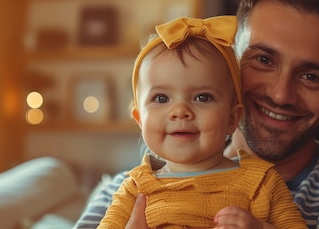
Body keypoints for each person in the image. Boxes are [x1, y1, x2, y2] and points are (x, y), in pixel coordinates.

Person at [74, 0, 319, 228]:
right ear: (230, 64)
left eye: (311, 76)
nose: (280, 94)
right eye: (263, 60)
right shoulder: (124, 190)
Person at [99, 15, 307, 229]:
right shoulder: (134, 188)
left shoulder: (261, 182)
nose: (180, 111)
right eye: (161, 98)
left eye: (202, 97)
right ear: (140, 119)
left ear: (232, 118)